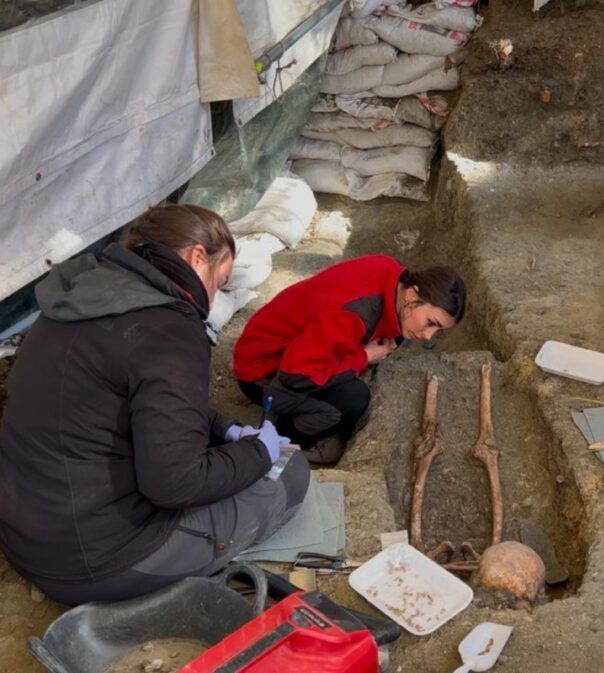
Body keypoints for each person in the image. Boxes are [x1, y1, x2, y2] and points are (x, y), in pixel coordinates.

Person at [0, 205, 309, 606]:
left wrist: (222, 429)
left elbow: (124, 404)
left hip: (27, 535)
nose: (215, 295)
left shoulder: (80, 296)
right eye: (221, 280)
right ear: (197, 256)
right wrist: (258, 452)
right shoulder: (169, 331)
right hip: (97, 563)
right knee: (292, 475)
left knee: (224, 455)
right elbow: (174, 483)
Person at [232, 255, 466, 465]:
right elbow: (297, 375)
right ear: (413, 295)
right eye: (430, 323)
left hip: (287, 347)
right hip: (261, 370)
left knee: (392, 340)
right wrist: (364, 356)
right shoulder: (355, 315)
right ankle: (286, 433)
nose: (427, 336)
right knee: (352, 399)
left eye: (438, 331)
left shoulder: (393, 277)